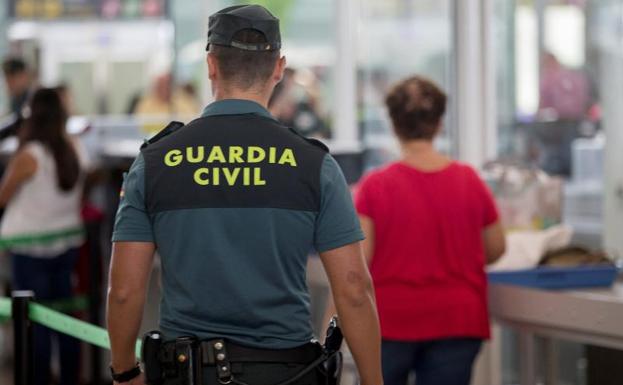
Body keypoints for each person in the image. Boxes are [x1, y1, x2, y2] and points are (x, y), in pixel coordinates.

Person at [107, 5, 383, 385]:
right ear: (278, 68)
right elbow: (353, 287)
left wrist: (124, 372)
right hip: (286, 372)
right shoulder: (312, 164)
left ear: (211, 65)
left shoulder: (155, 162)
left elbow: (123, 290)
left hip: (187, 373)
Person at [354, 76, 506, 385]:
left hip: (391, 320)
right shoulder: (470, 181)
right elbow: (496, 248)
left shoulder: (375, 186)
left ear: (394, 125)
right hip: (458, 320)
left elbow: (360, 261)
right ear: (439, 124)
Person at [0, 88, 85, 385]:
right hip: (66, 246)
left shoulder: (30, 155)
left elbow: (2, 197)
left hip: (29, 249)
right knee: (66, 323)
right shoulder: (73, 147)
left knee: (35, 324)